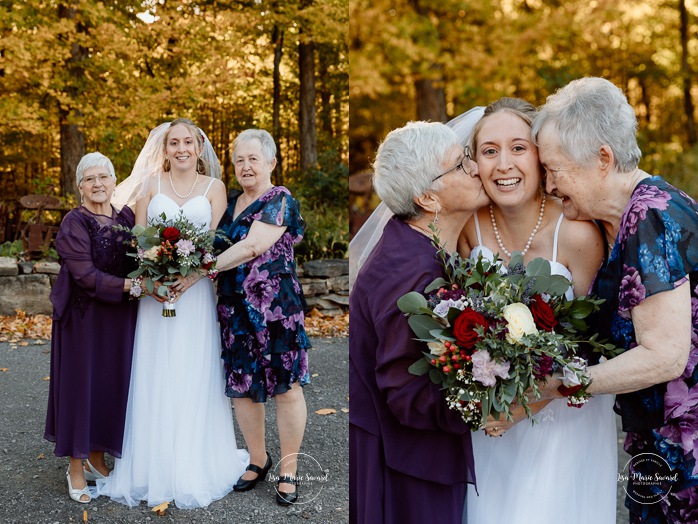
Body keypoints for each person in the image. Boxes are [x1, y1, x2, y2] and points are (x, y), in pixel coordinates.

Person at [531, 77, 697, 523]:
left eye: (554, 168)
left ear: (603, 158)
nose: (547, 184)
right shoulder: (630, 218)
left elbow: (665, 356)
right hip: (660, 440)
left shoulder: (651, 217)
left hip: (686, 448)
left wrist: (565, 382)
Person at [456, 98, 617, 523]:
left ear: (541, 155)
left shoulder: (579, 233)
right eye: (489, 151)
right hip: (490, 418)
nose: (503, 164)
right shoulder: (466, 229)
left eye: (518, 147)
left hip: (564, 419)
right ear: (475, 163)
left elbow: (593, 343)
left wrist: (527, 404)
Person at [97, 118, 249, 508]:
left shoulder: (215, 189)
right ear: (164, 150)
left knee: (192, 370)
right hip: (157, 297)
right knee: (156, 370)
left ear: (199, 148)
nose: (181, 149)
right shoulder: (151, 186)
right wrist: (156, 274)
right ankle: (151, 466)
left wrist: (190, 277)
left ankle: (195, 463)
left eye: (188, 142)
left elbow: (214, 245)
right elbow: (140, 240)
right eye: (173, 143)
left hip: (195, 296)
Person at [350, 119, 488, 524]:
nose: (476, 167)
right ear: (429, 197)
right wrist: (491, 405)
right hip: (404, 471)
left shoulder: (414, 245)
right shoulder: (411, 275)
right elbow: (407, 396)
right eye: (462, 163)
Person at [213, 129, 311, 506]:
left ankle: (289, 469)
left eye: (254, 158)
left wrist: (201, 269)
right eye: (239, 160)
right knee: (243, 387)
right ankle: (258, 459)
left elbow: (253, 246)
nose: (246, 166)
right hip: (234, 308)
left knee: (286, 388)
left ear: (271, 163)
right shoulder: (231, 204)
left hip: (276, 312)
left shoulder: (280, 199)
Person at [44, 152, 138, 503]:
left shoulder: (126, 217)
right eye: (90, 179)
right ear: (79, 185)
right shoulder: (74, 222)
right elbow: (84, 276)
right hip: (83, 318)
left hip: (120, 319)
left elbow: (139, 259)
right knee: (80, 388)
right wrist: (135, 288)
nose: (98, 184)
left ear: (115, 182)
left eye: (105, 177)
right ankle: (75, 467)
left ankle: (98, 458)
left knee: (111, 385)